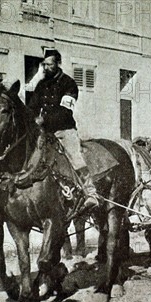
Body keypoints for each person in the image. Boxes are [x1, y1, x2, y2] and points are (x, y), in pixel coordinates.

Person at [26, 49, 99, 210]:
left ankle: (90, 193)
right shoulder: (41, 84)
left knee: (75, 157)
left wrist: (44, 119)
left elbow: (65, 111)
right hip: (44, 132)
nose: (45, 68)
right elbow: (32, 107)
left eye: (49, 64)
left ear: (58, 64)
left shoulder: (69, 84)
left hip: (64, 130)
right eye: (43, 65)